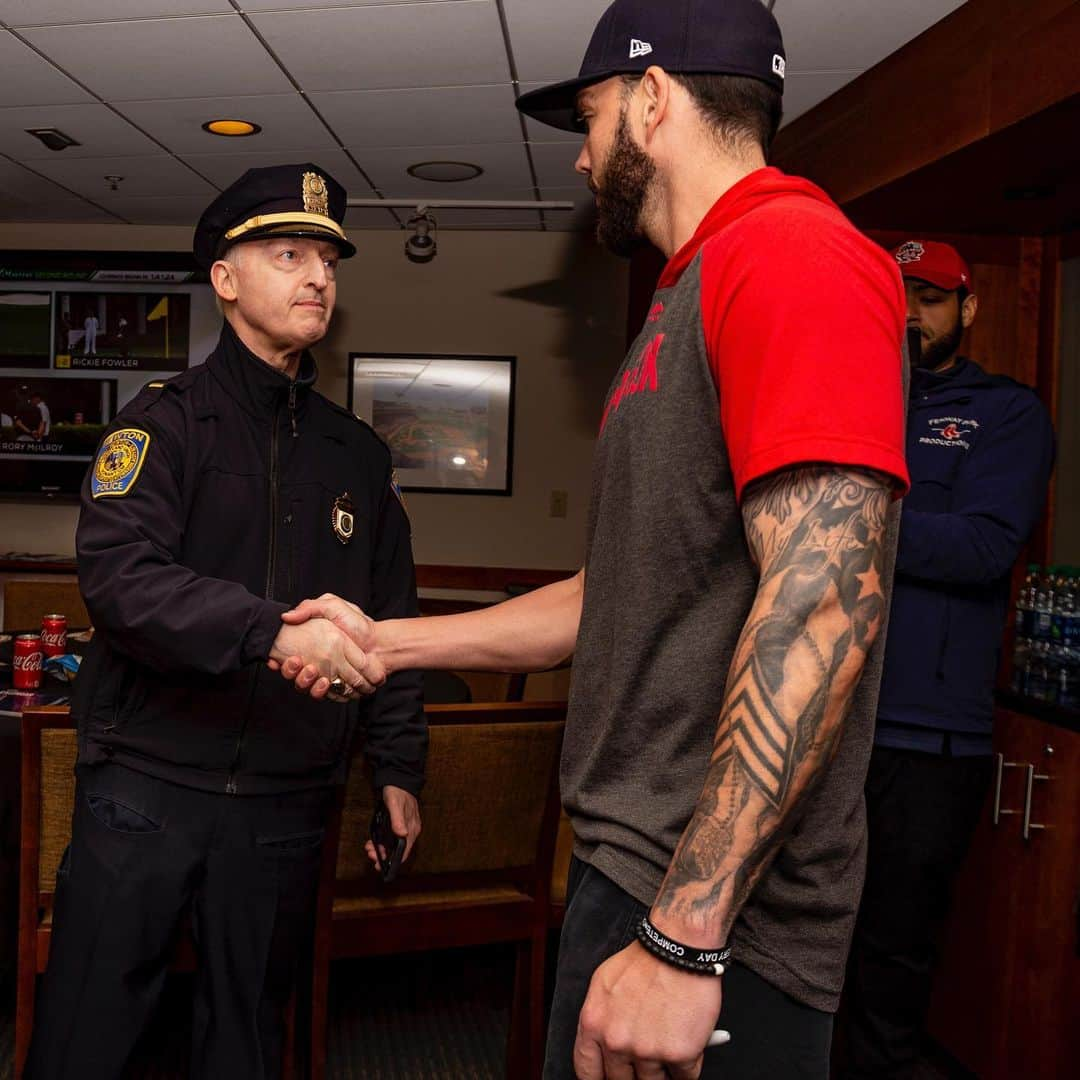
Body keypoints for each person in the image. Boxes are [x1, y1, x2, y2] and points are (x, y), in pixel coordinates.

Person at [275, 2, 911, 1076]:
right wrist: (390, 645)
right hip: (638, 873)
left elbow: (826, 602)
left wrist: (686, 930)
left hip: (713, 917)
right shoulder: (691, 292)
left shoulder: (792, 253)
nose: (579, 158)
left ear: (654, 99)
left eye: (592, 116)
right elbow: (612, 592)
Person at [25, 163, 426, 1080]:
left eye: (327, 259)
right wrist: (273, 632)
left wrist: (400, 767)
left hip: (286, 803)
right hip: (146, 791)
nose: (317, 276)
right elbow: (121, 579)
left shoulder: (358, 456)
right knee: (88, 1033)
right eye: (289, 254)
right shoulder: (162, 427)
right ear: (226, 277)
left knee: (246, 1041)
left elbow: (389, 617)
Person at [841, 240, 1055, 1078]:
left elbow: (983, 547)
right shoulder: (852, 395)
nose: (909, 312)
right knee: (796, 938)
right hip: (822, 716)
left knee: (892, 959)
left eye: (930, 297)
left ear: (967, 309)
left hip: (927, 739)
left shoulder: (1006, 413)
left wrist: (846, 518)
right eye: (897, 294)